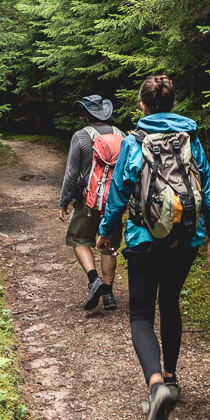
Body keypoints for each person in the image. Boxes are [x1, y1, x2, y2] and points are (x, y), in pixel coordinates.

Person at [97, 75, 210, 420]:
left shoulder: (134, 142)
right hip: (186, 240)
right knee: (170, 303)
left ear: (142, 105)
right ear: (172, 104)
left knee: (140, 314)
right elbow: (209, 191)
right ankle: (171, 377)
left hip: (142, 240)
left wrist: (107, 232)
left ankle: (156, 387)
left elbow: (118, 194)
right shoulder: (191, 140)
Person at [58, 94, 124, 311]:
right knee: (109, 246)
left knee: (79, 239)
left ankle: (94, 280)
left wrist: (64, 202)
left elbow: (71, 174)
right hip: (113, 203)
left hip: (89, 201)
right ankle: (109, 295)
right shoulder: (121, 135)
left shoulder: (80, 136)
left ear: (86, 115)